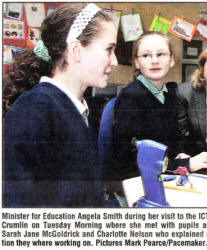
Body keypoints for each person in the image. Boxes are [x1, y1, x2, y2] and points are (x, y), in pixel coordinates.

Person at [3, 3, 118, 207]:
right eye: (109, 50)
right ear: (76, 50)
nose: (115, 60)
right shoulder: (34, 110)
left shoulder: (74, 108)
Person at [109, 31, 207, 181]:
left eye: (161, 54)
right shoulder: (131, 97)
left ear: (171, 60)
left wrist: (180, 153)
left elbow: (172, 141)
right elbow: (129, 160)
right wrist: (184, 164)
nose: (154, 61)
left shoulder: (170, 94)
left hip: (165, 174)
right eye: (146, 55)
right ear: (137, 62)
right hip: (140, 181)